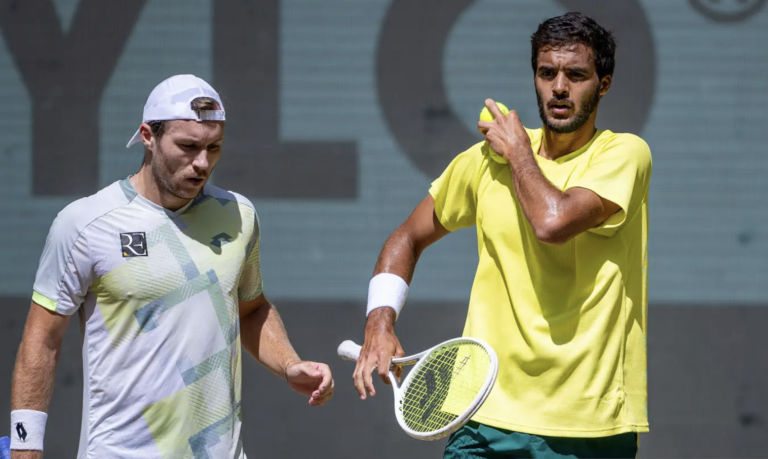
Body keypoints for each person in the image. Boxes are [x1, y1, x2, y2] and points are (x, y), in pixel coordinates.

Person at [353, 12, 651, 459]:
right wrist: (379, 322)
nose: (559, 88)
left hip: (586, 422)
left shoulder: (624, 154)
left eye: (576, 75)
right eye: (547, 73)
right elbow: (407, 238)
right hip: (482, 412)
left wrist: (517, 153)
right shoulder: (483, 162)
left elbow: (554, 222)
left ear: (603, 84)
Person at [9, 74, 334, 459]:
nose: (202, 163)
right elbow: (41, 342)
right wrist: (24, 449)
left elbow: (251, 308)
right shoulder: (84, 223)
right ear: (148, 135)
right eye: (188, 146)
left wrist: (290, 364)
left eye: (214, 148)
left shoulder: (239, 215)